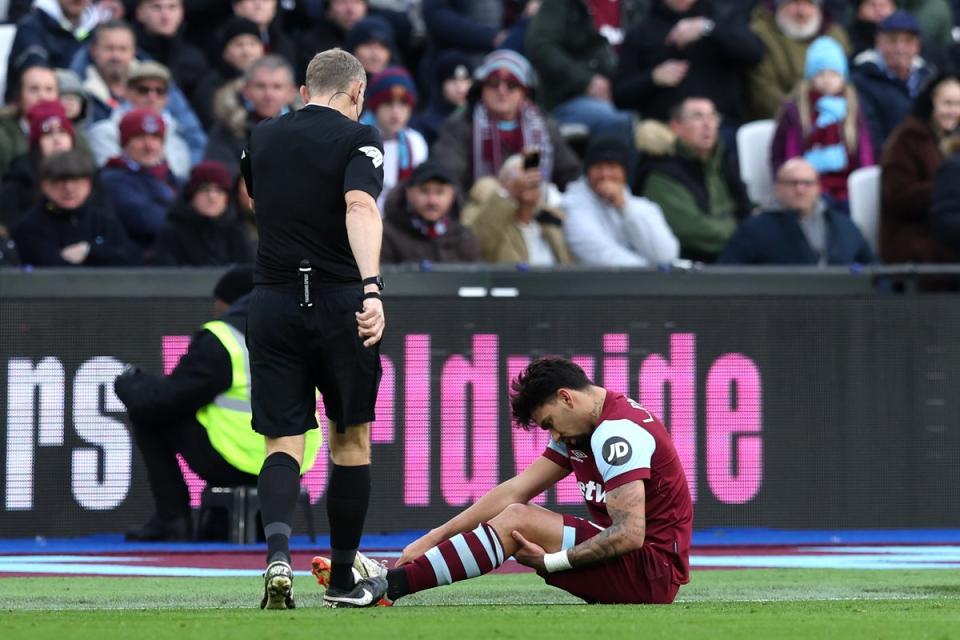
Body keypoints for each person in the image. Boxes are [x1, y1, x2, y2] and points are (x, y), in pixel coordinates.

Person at [312, 356, 694, 606]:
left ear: (566, 398)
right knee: (515, 512)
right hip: (637, 565)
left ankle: (389, 586)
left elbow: (630, 534)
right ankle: (393, 580)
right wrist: (433, 537)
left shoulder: (616, 432)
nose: (555, 436)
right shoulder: (584, 427)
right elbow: (515, 489)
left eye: (549, 424)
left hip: (650, 572)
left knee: (518, 521)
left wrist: (553, 562)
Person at [241, 47, 388, 609]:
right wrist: (371, 288)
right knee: (349, 440)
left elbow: (261, 202)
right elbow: (359, 206)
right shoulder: (360, 137)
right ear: (355, 93)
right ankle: (345, 578)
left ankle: (278, 556)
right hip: (338, 300)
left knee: (283, 443)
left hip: (272, 301)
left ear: (304, 92)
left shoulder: (263, 135)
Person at [115, 267, 320, 542]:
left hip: (235, 457)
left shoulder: (223, 338)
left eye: (217, 302)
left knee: (149, 416)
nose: (215, 310)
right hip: (295, 459)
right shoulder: (302, 328)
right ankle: (239, 522)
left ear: (229, 301)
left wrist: (130, 384)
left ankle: (172, 519)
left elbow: (167, 400)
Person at [431, 49, 581, 196]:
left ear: (524, 92)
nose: (502, 91)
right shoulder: (462, 124)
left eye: (512, 85)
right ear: (481, 89)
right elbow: (448, 175)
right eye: (494, 84)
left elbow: (569, 174)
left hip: (531, 210)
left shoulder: (541, 125)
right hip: (479, 213)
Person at [614, 0, 764, 130]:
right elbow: (620, 96)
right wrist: (653, 78)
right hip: (666, 129)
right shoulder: (642, 31)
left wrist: (708, 28)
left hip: (721, 126)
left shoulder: (721, 17)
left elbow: (755, 54)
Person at [635, 97, 750, 262]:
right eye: (697, 117)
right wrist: (748, 232)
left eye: (712, 117)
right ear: (675, 126)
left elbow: (744, 206)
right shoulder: (661, 172)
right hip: (693, 268)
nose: (707, 124)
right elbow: (692, 230)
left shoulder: (723, 160)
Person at [771, 36, 874, 205]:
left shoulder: (852, 109)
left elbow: (864, 152)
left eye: (833, 74)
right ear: (810, 77)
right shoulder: (796, 110)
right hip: (804, 186)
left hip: (847, 189)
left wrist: (865, 185)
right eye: (820, 73)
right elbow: (780, 153)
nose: (827, 80)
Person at [718, 158, 874, 265]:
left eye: (807, 183)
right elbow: (728, 272)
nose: (800, 189)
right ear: (777, 187)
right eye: (792, 183)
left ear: (818, 188)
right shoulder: (754, 230)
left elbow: (873, 269)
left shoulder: (843, 226)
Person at [525, 0, 637, 139]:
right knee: (620, 121)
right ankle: (603, 161)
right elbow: (540, 47)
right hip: (567, 100)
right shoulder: (560, 4)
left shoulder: (631, 5)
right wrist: (585, 81)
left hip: (619, 94)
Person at [879, 71, 960, 263]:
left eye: (958, 104)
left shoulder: (954, 140)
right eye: (947, 103)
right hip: (912, 234)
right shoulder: (907, 139)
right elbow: (896, 196)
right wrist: (945, 189)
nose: (954, 111)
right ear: (930, 103)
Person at [563, 136, 679, 267]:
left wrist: (625, 207)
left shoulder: (642, 207)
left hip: (645, 283)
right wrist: (649, 274)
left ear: (625, 172)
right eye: (598, 167)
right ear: (587, 172)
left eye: (612, 166)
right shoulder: (572, 203)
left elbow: (666, 255)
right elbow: (596, 253)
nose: (605, 174)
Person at [13, 149, 141, 267]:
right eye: (60, 181)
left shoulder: (103, 221)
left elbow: (131, 259)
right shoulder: (31, 226)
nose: (69, 189)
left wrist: (89, 250)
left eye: (76, 180)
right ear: (45, 185)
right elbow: (50, 267)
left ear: (88, 185)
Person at [87, 60, 193, 180]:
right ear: (127, 92)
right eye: (144, 90)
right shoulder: (104, 132)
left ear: (167, 97)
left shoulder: (177, 134)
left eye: (159, 91)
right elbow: (110, 178)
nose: (152, 97)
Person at [746, 0, 851, 121]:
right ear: (780, 5)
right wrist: (802, 119)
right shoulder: (761, 35)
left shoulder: (834, 35)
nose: (802, 11)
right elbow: (764, 92)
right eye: (794, 2)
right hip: (784, 123)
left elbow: (847, 85)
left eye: (809, 3)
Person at [462, 152, 574, 265]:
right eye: (518, 175)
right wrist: (509, 193)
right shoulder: (485, 212)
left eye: (533, 177)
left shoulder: (551, 219)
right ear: (503, 182)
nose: (526, 181)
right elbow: (478, 244)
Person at [852, 10, 934, 153]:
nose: (900, 48)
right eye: (892, 40)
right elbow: (871, 134)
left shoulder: (929, 78)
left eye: (908, 41)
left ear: (917, 46)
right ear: (878, 42)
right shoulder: (863, 80)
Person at [100, 107, 181, 252]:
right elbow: (146, 221)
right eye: (140, 138)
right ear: (125, 143)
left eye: (155, 138)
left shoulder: (175, 180)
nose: (149, 146)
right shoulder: (113, 179)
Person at [205, 54, 298, 178]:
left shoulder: (308, 130)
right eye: (261, 86)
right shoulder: (226, 130)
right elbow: (222, 174)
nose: (269, 95)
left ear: (291, 92)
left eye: (277, 87)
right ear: (246, 91)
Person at [152, 160, 254, 266]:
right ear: (191, 195)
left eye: (220, 190)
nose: (212, 197)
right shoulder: (171, 233)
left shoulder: (236, 231)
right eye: (204, 189)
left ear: (227, 198)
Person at [381, 161, 480, 264]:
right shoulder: (386, 236)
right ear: (408, 193)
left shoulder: (464, 238)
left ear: (452, 195)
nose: (432, 201)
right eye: (424, 191)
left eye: (440, 192)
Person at [362, 66, 428, 209]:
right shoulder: (356, 140)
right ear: (375, 107)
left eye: (403, 104)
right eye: (388, 103)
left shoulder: (415, 143)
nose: (396, 112)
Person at [0, 65, 61, 176]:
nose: (42, 97)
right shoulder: (3, 135)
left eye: (49, 89)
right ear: (19, 95)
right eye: (34, 89)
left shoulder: (74, 135)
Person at [410, 50, 473, 146]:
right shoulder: (425, 124)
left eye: (465, 80)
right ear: (441, 85)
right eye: (452, 80)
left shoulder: (479, 118)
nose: (460, 88)